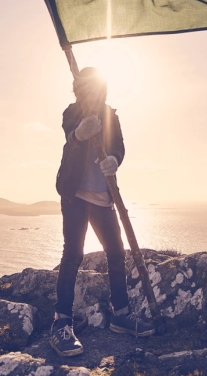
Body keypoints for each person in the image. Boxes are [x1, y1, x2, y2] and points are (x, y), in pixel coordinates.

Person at [50, 66, 155, 356]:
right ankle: (61, 323)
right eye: (87, 88)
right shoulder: (72, 112)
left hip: (103, 197)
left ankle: (119, 313)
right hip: (74, 195)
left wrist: (113, 160)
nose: (92, 92)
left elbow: (119, 147)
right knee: (72, 255)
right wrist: (80, 135)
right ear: (79, 90)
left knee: (116, 252)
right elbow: (70, 134)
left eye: (96, 87)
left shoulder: (112, 116)